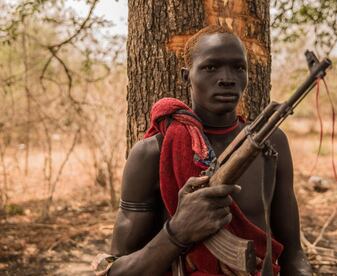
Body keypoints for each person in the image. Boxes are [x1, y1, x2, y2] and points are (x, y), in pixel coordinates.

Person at [96, 25, 312, 275]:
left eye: (238, 67)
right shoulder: (151, 154)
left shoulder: (273, 143)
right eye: (211, 67)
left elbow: (294, 254)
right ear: (186, 76)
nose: (227, 78)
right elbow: (117, 271)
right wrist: (177, 232)